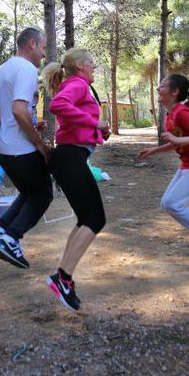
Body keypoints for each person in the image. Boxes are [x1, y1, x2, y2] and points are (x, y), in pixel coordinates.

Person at [40, 49, 110, 311]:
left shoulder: (78, 85)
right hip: (69, 157)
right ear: (81, 65)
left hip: (71, 156)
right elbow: (58, 105)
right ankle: (63, 279)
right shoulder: (77, 84)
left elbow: (76, 124)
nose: (94, 65)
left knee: (85, 219)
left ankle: (62, 276)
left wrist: (99, 132)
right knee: (95, 219)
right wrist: (95, 123)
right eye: (92, 62)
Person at [0, 28, 53, 269]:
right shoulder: (27, 69)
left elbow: (9, 109)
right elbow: (19, 110)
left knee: (28, 191)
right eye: (43, 47)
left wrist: (34, 126)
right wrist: (38, 143)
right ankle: (11, 238)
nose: (44, 54)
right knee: (43, 193)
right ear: (31, 44)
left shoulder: (4, 68)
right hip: (17, 146)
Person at [138, 74, 189, 263]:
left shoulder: (182, 112)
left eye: (163, 86)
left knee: (172, 204)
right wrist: (154, 150)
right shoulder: (170, 114)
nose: (158, 89)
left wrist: (177, 140)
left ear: (175, 92)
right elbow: (177, 142)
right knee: (167, 203)